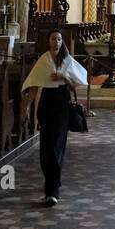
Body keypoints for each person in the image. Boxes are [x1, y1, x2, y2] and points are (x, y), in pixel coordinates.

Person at [21, 30, 88, 206]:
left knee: (57, 146)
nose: (56, 42)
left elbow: (75, 87)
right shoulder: (43, 60)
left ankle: (52, 191)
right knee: (45, 148)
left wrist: (64, 77)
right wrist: (26, 107)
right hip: (46, 104)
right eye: (53, 39)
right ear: (48, 41)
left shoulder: (67, 60)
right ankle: (52, 180)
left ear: (62, 41)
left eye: (59, 39)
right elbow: (34, 85)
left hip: (62, 104)